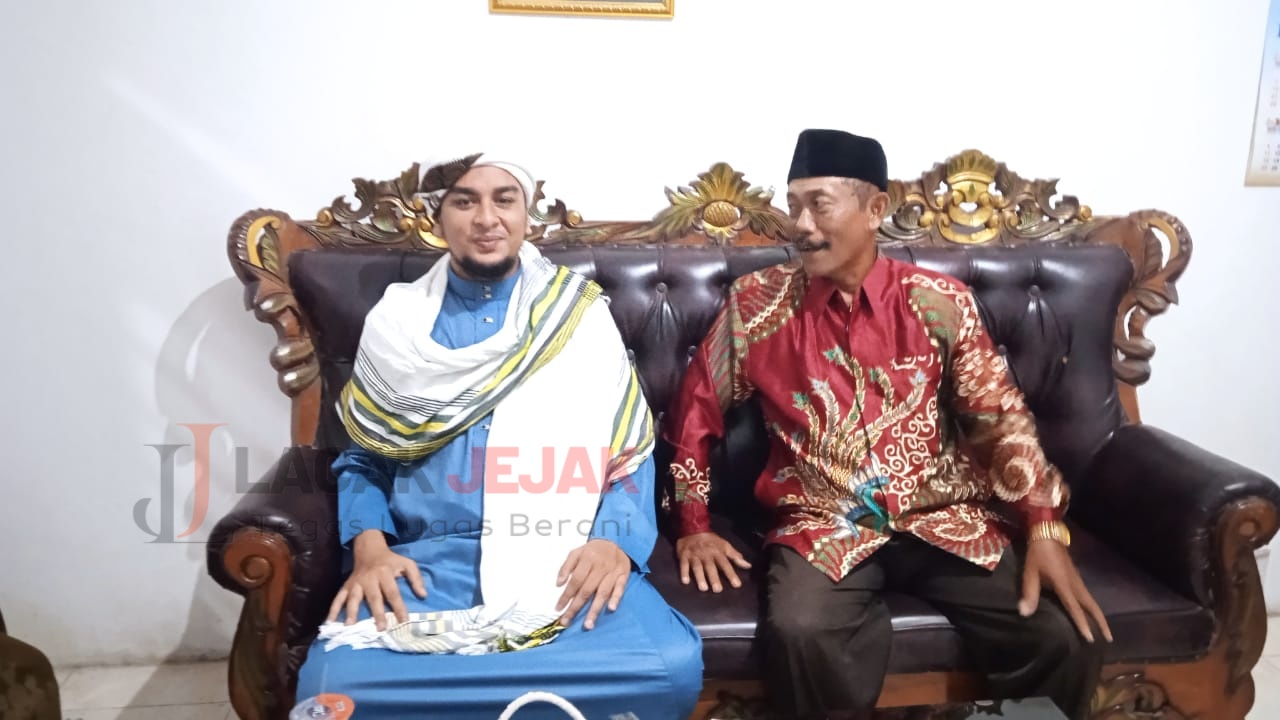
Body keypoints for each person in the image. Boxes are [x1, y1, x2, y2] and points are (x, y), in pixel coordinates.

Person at [662, 129, 1112, 720]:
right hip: (824, 522)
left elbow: (999, 418)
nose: (801, 224)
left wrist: (1043, 524)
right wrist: (693, 523)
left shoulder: (939, 302)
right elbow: (694, 413)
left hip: (943, 517)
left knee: (1063, 635)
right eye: (794, 205)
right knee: (802, 632)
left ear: (875, 209)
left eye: (819, 204)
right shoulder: (757, 306)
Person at [295, 153, 703, 719]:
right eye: (465, 201)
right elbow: (364, 460)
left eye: (503, 200)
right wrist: (369, 549)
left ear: (525, 216)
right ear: (438, 218)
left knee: (667, 664)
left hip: (559, 558)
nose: (486, 218)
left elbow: (630, 454)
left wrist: (612, 542)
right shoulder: (397, 326)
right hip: (428, 562)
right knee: (335, 685)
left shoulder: (576, 317)